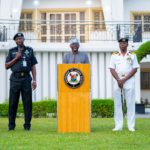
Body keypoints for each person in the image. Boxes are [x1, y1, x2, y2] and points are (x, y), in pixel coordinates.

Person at [5, 33, 38, 131]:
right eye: (17, 39)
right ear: (15, 41)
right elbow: (6, 66)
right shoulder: (12, 51)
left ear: (24, 39)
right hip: (15, 79)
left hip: (26, 79)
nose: (19, 40)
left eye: (21, 38)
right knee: (13, 103)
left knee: (27, 103)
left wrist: (34, 80)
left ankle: (27, 126)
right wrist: (16, 58)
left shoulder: (30, 50)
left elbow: (33, 66)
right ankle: (11, 126)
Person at [109, 38, 139, 132]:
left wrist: (124, 80)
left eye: (124, 43)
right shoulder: (114, 55)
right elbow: (111, 68)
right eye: (121, 43)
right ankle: (118, 126)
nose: (122, 45)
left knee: (130, 103)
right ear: (119, 45)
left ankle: (131, 126)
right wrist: (119, 80)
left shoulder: (132, 55)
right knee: (117, 104)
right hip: (117, 80)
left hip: (129, 80)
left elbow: (134, 69)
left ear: (127, 44)